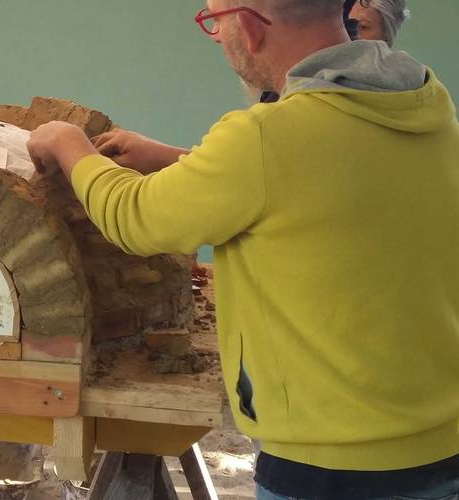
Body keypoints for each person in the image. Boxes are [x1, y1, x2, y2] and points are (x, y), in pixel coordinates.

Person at [26, 0, 459, 498]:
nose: (215, 36)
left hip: (331, 465)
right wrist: (177, 159)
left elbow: (133, 216)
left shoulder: (263, 136)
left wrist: (66, 143)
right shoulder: (421, 102)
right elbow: (316, 183)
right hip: (439, 445)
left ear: (250, 28)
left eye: (215, 20)